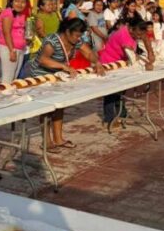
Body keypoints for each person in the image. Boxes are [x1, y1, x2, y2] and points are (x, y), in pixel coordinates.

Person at [21, 18, 104, 151]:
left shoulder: (76, 41)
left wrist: (97, 62)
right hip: (41, 76)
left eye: (80, 36)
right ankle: (47, 141)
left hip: (57, 76)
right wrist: (63, 66)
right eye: (76, 35)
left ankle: (58, 139)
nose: (78, 39)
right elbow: (43, 60)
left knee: (60, 105)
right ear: (67, 31)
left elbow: (88, 52)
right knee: (47, 108)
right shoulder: (52, 41)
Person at [100, 18, 155, 126]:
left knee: (121, 90)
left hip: (122, 63)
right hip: (110, 62)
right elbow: (133, 57)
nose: (139, 37)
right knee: (111, 92)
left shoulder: (137, 31)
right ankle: (109, 118)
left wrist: (150, 53)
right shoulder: (124, 36)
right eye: (138, 34)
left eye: (141, 34)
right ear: (131, 29)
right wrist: (146, 63)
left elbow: (144, 37)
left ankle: (121, 112)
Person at [0, 0, 29, 83]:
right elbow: (6, 33)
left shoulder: (21, 14)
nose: (20, 4)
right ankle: (4, 92)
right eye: (17, 1)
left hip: (20, 49)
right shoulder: (8, 13)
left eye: (23, 2)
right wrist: (12, 51)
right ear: (12, 2)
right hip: (9, 48)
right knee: (8, 78)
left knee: (14, 78)